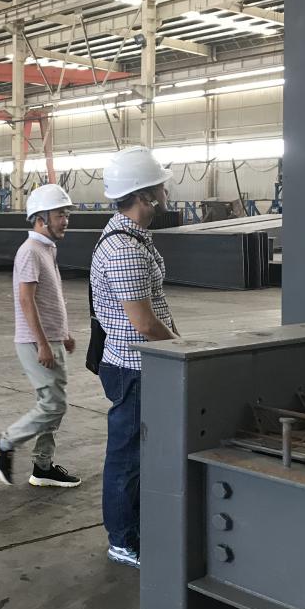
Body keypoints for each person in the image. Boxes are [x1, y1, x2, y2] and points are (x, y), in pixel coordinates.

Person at [90, 147, 179, 569]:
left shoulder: (132, 237)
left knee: (137, 456)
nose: (166, 192)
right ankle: (123, 541)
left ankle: (135, 528)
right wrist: (182, 349)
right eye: (161, 186)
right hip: (134, 368)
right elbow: (143, 323)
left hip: (140, 365)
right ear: (145, 195)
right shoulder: (125, 249)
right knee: (126, 458)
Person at [0, 183, 81, 490]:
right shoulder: (30, 251)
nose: (65, 220)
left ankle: (43, 467)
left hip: (50, 338)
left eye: (66, 214)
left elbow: (49, 298)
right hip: (36, 342)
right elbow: (26, 300)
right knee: (53, 406)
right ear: (41, 218)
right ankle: (3, 444)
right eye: (60, 215)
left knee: (50, 403)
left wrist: (63, 333)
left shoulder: (46, 249)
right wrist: (42, 344)